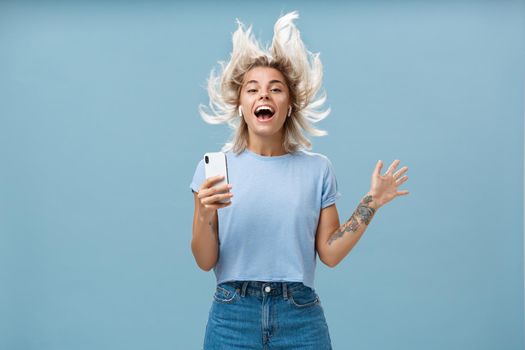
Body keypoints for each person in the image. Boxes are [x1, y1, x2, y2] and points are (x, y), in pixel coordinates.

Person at [189, 11, 410, 350]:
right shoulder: (214, 169)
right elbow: (205, 260)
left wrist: (373, 202)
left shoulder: (317, 169)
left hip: (299, 315)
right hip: (233, 315)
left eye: (275, 89)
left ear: (289, 104)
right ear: (241, 105)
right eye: (253, 89)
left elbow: (330, 253)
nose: (264, 95)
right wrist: (204, 213)